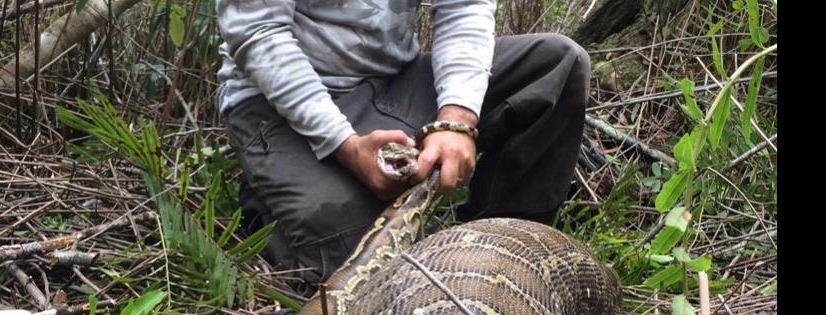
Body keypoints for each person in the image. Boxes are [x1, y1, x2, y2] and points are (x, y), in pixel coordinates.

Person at [217, 0, 590, 297]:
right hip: (278, 103)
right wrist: (344, 146)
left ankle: (504, 254)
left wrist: (456, 119)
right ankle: (273, 201)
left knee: (558, 64)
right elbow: (258, 31)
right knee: (362, 269)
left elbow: (464, 7)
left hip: (395, 82)